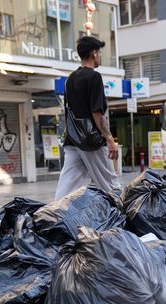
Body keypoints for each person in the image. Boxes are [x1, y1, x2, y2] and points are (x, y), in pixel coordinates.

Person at [54, 36, 120, 200]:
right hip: (90, 141)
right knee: (110, 184)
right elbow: (97, 113)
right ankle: (127, 216)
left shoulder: (70, 79)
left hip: (72, 140)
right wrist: (110, 139)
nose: (100, 56)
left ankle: (54, 215)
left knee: (66, 187)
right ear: (94, 53)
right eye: (99, 53)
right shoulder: (94, 77)